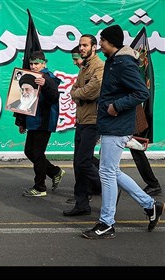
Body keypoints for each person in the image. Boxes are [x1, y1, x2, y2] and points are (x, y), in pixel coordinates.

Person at [82, 25, 164, 239]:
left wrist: (116, 106)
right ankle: (150, 205)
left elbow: (141, 92)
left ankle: (107, 223)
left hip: (117, 126)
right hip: (111, 125)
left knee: (107, 173)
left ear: (111, 42)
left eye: (102, 41)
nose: (100, 45)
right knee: (112, 171)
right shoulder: (114, 61)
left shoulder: (124, 63)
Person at [63, 35, 103, 216]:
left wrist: (78, 93)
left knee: (83, 162)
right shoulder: (84, 67)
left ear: (94, 47)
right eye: (80, 45)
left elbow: (92, 91)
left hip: (93, 121)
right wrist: (78, 93)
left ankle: (108, 187)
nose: (82, 48)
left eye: (85, 45)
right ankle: (81, 203)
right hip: (81, 120)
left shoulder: (99, 66)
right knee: (78, 164)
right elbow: (74, 90)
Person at [15, 51, 65, 197]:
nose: (33, 66)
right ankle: (54, 172)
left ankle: (40, 187)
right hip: (32, 121)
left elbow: (55, 97)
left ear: (44, 63)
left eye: (36, 63)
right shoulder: (29, 76)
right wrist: (21, 121)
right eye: (31, 63)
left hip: (44, 120)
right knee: (29, 152)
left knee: (37, 153)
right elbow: (23, 101)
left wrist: (46, 84)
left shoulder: (49, 77)